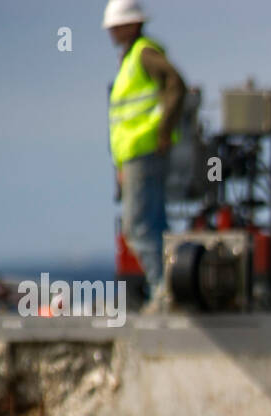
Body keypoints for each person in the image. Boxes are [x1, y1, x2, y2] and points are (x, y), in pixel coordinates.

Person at [104, 0, 185, 298]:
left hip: (144, 150)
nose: (111, 32)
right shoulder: (131, 59)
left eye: (115, 25)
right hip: (136, 155)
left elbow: (177, 84)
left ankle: (165, 290)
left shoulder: (143, 54)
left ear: (132, 24)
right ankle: (173, 288)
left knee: (137, 227)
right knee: (156, 225)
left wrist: (164, 130)